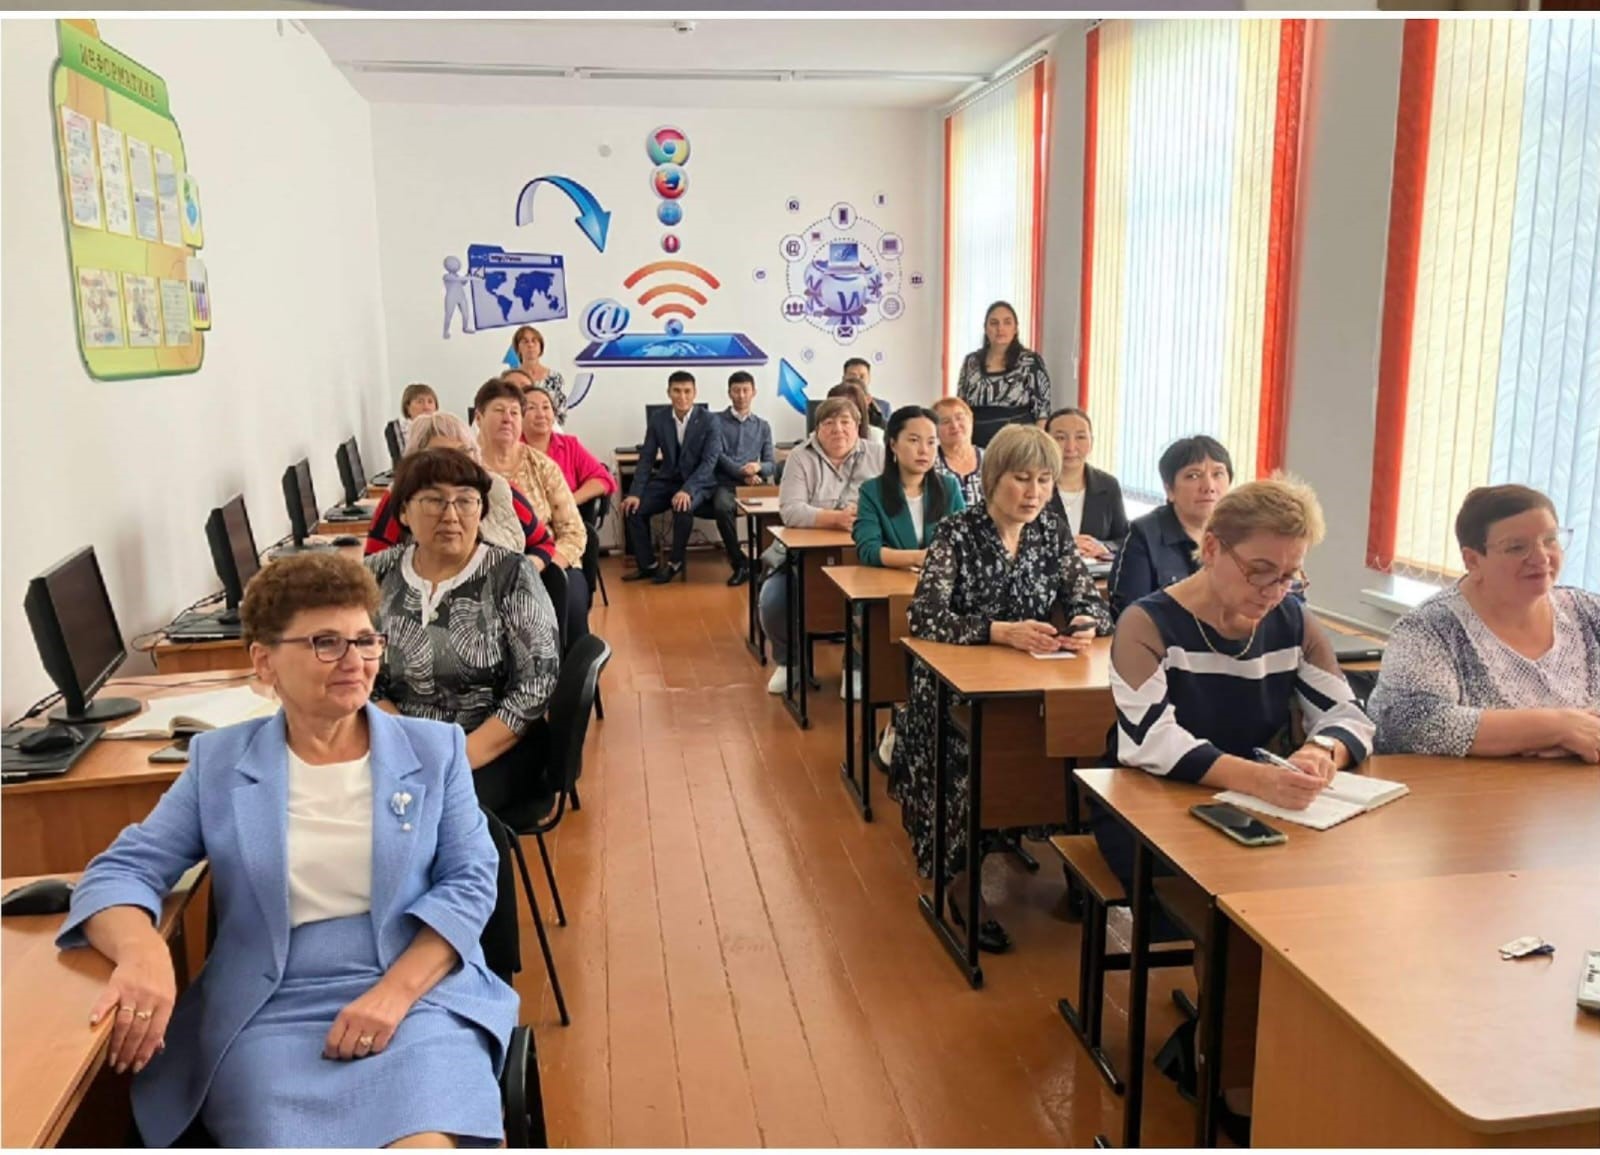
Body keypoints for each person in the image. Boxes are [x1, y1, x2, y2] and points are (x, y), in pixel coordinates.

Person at [54, 551, 519, 1147]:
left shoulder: (435, 750)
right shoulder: (220, 763)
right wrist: (143, 954)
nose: (354, 660)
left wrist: (394, 994)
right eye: (326, 642)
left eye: (365, 640)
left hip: (417, 991)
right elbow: (122, 871)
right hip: (268, 1007)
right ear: (264, 661)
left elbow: (471, 880)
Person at [1097, 478, 1373, 1124]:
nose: (1274, 589)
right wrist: (1258, 779)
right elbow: (1150, 742)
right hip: (1149, 809)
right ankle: (1230, 1077)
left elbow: (1350, 714)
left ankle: (1275, 1046)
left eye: (1290, 575)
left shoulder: (1293, 621)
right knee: (1237, 910)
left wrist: (1322, 751)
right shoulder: (1147, 622)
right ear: (1213, 548)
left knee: (1324, 896)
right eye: (1260, 570)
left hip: (1255, 801)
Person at [891, 425, 1111, 949]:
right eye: (1021, 479)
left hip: (1033, 683)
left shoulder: (1050, 532)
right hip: (953, 690)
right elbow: (924, 616)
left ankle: (1078, 861)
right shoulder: (956, 532)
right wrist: (998, 631)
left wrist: (1085, 621)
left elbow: (1091, 600)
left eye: (1044, 481)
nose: (1034, 493)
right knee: (978, 757)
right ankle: (961, 879)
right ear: (993, 479)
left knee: (1076, 746)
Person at [366, 449, 562, 815]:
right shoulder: (376, 574)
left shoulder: (510, 574)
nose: (451, 515)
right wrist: (407, 746)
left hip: (493, 746)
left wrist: (457, 758)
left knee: (424, 814)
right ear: (404, 512)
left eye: (466, 501)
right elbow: (360, 673)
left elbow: (536, 685)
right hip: (399, 743)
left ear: (481, 509)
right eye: (434, 500)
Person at [1369, 484, 1600, 761]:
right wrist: (1556, 728)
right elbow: (1405, 722)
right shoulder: (1429, 628)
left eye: (1550, 540)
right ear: (1473, 561)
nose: (1541, 557)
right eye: (1517, 547)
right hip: (1475, 787)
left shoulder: (1589, 612)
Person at [760, 396, 885, 693]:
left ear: (858, 426)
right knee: (773, 600)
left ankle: (855, 666)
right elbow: (790, 511)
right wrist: (836, 519)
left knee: (874, 602)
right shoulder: (799, 457)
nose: (838, 429)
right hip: (802, 556)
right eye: (829, 423)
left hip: (862, 553)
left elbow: (893, 502)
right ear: (817, 429)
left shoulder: (879, 455)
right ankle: (789, 662)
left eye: (845, 422)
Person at [473, 378, 591, 640]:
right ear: (479, 418)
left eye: (515, 412)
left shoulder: (543, 466)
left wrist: (539, 568)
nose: (508, 418)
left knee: (569, 603)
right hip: (483, 570)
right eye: (499, 410)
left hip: (548, 563)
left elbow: (573, 532)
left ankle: (573, 667)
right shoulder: (465, 469)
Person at [366, 411, 555, 565]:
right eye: (443, 455)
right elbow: (374, 566)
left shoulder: (500, 490)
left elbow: (543, 543)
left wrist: (523, 574)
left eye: (464, 452)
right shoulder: (400, 496)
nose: (456, 463)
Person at [1108, 435, 1234, 618]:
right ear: (1169, 490)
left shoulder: (1244, 533)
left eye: (1218, 474)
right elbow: (1130, 615)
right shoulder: (1144, 535)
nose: (1209, 486)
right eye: (1193, 476)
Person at [620, 371, 723, 584]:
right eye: (677, 391)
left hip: (698, 483)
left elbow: (709, 462)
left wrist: (687, 490)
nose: (682, 397)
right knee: (633, 509)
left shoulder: (710, 420)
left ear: (695, 393)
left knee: (683, 506)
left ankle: (675, 562)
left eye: (687, 391)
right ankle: (648, 565)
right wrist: (635, 493)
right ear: (668, 392)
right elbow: (647, 459)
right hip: (668, 480)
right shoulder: (658, 419)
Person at [853, 405, 964, 570]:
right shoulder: (872, 491)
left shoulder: (949, 487)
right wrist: (918, 558)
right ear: (893, 444)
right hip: (890, 581)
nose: (924, 450)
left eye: (931, 442)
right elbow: (868, 550)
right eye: (914, 440)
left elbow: (964, 542)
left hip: (942, 580)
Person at [711, 370, 775, 586]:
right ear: (729, 393)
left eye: (745, 390)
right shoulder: (715, 422)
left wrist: (758, 467)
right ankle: (740, 564)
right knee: (721, 507)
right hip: (727, 484)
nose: (741, 395)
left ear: (754, 392)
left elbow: (770, 464)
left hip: (754, 484)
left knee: (776, 509)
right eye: (736, 390)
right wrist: (742, 473)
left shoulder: (763, 426)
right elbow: (717, 456)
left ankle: (769, 563)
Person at [1043, 407, 1129, 561]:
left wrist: (1103, 547)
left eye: (1080, 437)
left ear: (1092, 442)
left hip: (1096, 573)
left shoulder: (1108, 485)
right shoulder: (1034, 486)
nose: (1070, 447)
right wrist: (1064, 545)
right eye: (1061, 438)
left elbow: (1124, 538)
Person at [516, 380, 617, 508]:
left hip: (566, 516)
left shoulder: (569, 446)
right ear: (518, 416)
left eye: (546, 407)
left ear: (554, 414)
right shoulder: (510, 449)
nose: (541, 414)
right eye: (531, 408)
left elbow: (604, 479)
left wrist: (569, 501)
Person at [956, 300, 1053, 431]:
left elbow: (1042, 412)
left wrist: (1036, 442)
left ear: (1015, 328)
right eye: (994, 323)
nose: (1000, 328)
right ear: (985, 328)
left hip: (1017, 438)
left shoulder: (1030, 361)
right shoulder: (971, 362)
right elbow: (960, 407)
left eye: (1007, 323)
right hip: (976, 436)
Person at [931, 396, 985, 508]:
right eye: (945, 421)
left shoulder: (991, 459)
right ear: (934, 430)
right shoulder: (928, 463)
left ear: (971, 420)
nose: (954, 425)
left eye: (959, 418)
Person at [509, 325, 567, 423]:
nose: (530, 345)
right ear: (518, 348)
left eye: (534, 341)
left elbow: (561, 411)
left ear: (540, 347)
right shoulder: (511, 379)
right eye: (525, 341)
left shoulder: (554, 377)